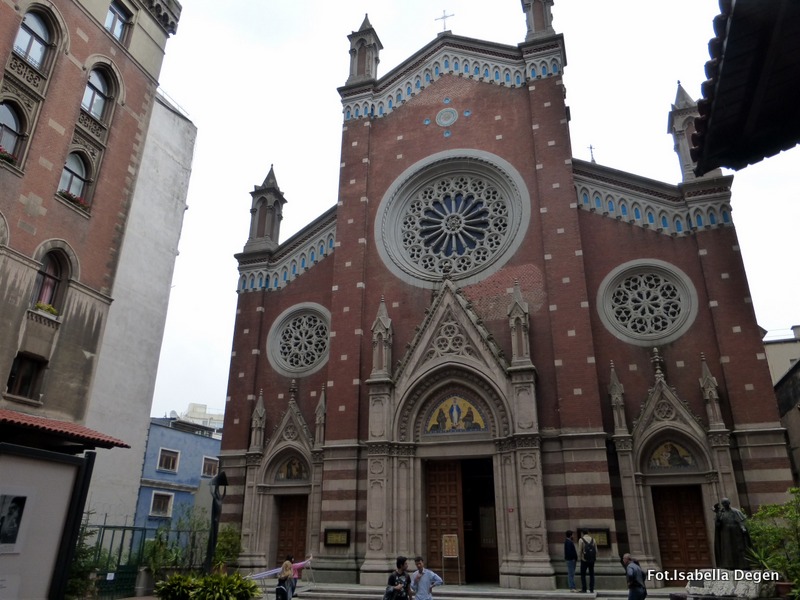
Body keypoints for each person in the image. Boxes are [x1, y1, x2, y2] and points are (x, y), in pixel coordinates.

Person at [714, 497, 750, 570]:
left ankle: (742, 565)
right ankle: (729, 565)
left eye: (726, 503)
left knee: (739, 548)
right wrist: (717, 516)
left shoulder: (735, 511)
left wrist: (743, 528)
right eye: (723, 503)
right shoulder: (721, 513)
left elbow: (741, 521)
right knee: (727, 550)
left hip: (736, 533)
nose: (725, 504)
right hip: (725, 534)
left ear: (729, 503)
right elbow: (718, 524)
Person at [578, 529, 596, 593]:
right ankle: (591, 589)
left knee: (583, 575)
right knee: (592, 574)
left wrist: (580, 558)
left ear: (582, 533)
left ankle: (584, 589)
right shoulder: (593, 540)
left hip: (584, 560)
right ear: (588, 533)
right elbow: (596, 550)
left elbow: (580, 550)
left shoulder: (581, 540)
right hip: (591, 560)